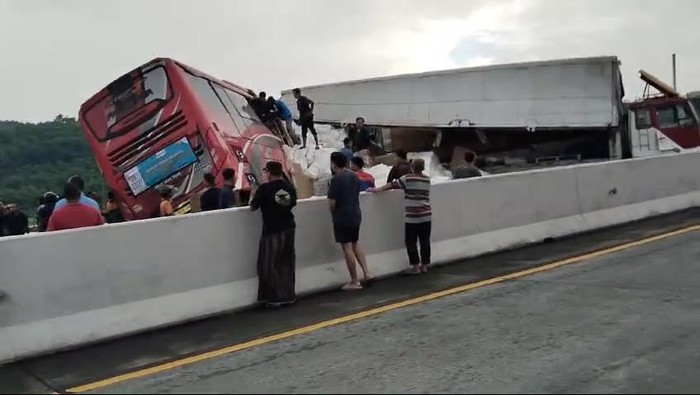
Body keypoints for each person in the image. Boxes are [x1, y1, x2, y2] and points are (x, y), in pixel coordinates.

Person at [369, 158, 431, 274]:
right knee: (425, 241)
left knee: (411, 241)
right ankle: (425, 266)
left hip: (412, 216)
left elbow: (391, 185)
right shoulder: (427, 179)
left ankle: (415, 267)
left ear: (412, 167)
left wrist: (376, 189)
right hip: (426, 215)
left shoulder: (407, 178)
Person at [250, 161, 298, 307]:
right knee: (286, 262)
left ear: (269, 173)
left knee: (268, 263)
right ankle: (287, 295)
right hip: (288, 227)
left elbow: (253, 207)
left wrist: (253, 193)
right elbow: (292, 203)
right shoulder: (288, 187)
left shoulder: (264, 189)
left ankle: (273, 297)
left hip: (272, 230)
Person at [327, 152, 371, 290]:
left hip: (342, 215)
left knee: (347, 247)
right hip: (355, 212)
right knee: (355, 243)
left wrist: (334, 213)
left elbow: (332, 203)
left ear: (334, 163)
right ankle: (367, 273)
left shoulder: (336, 179)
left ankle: (354, 280)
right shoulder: (353, 175)